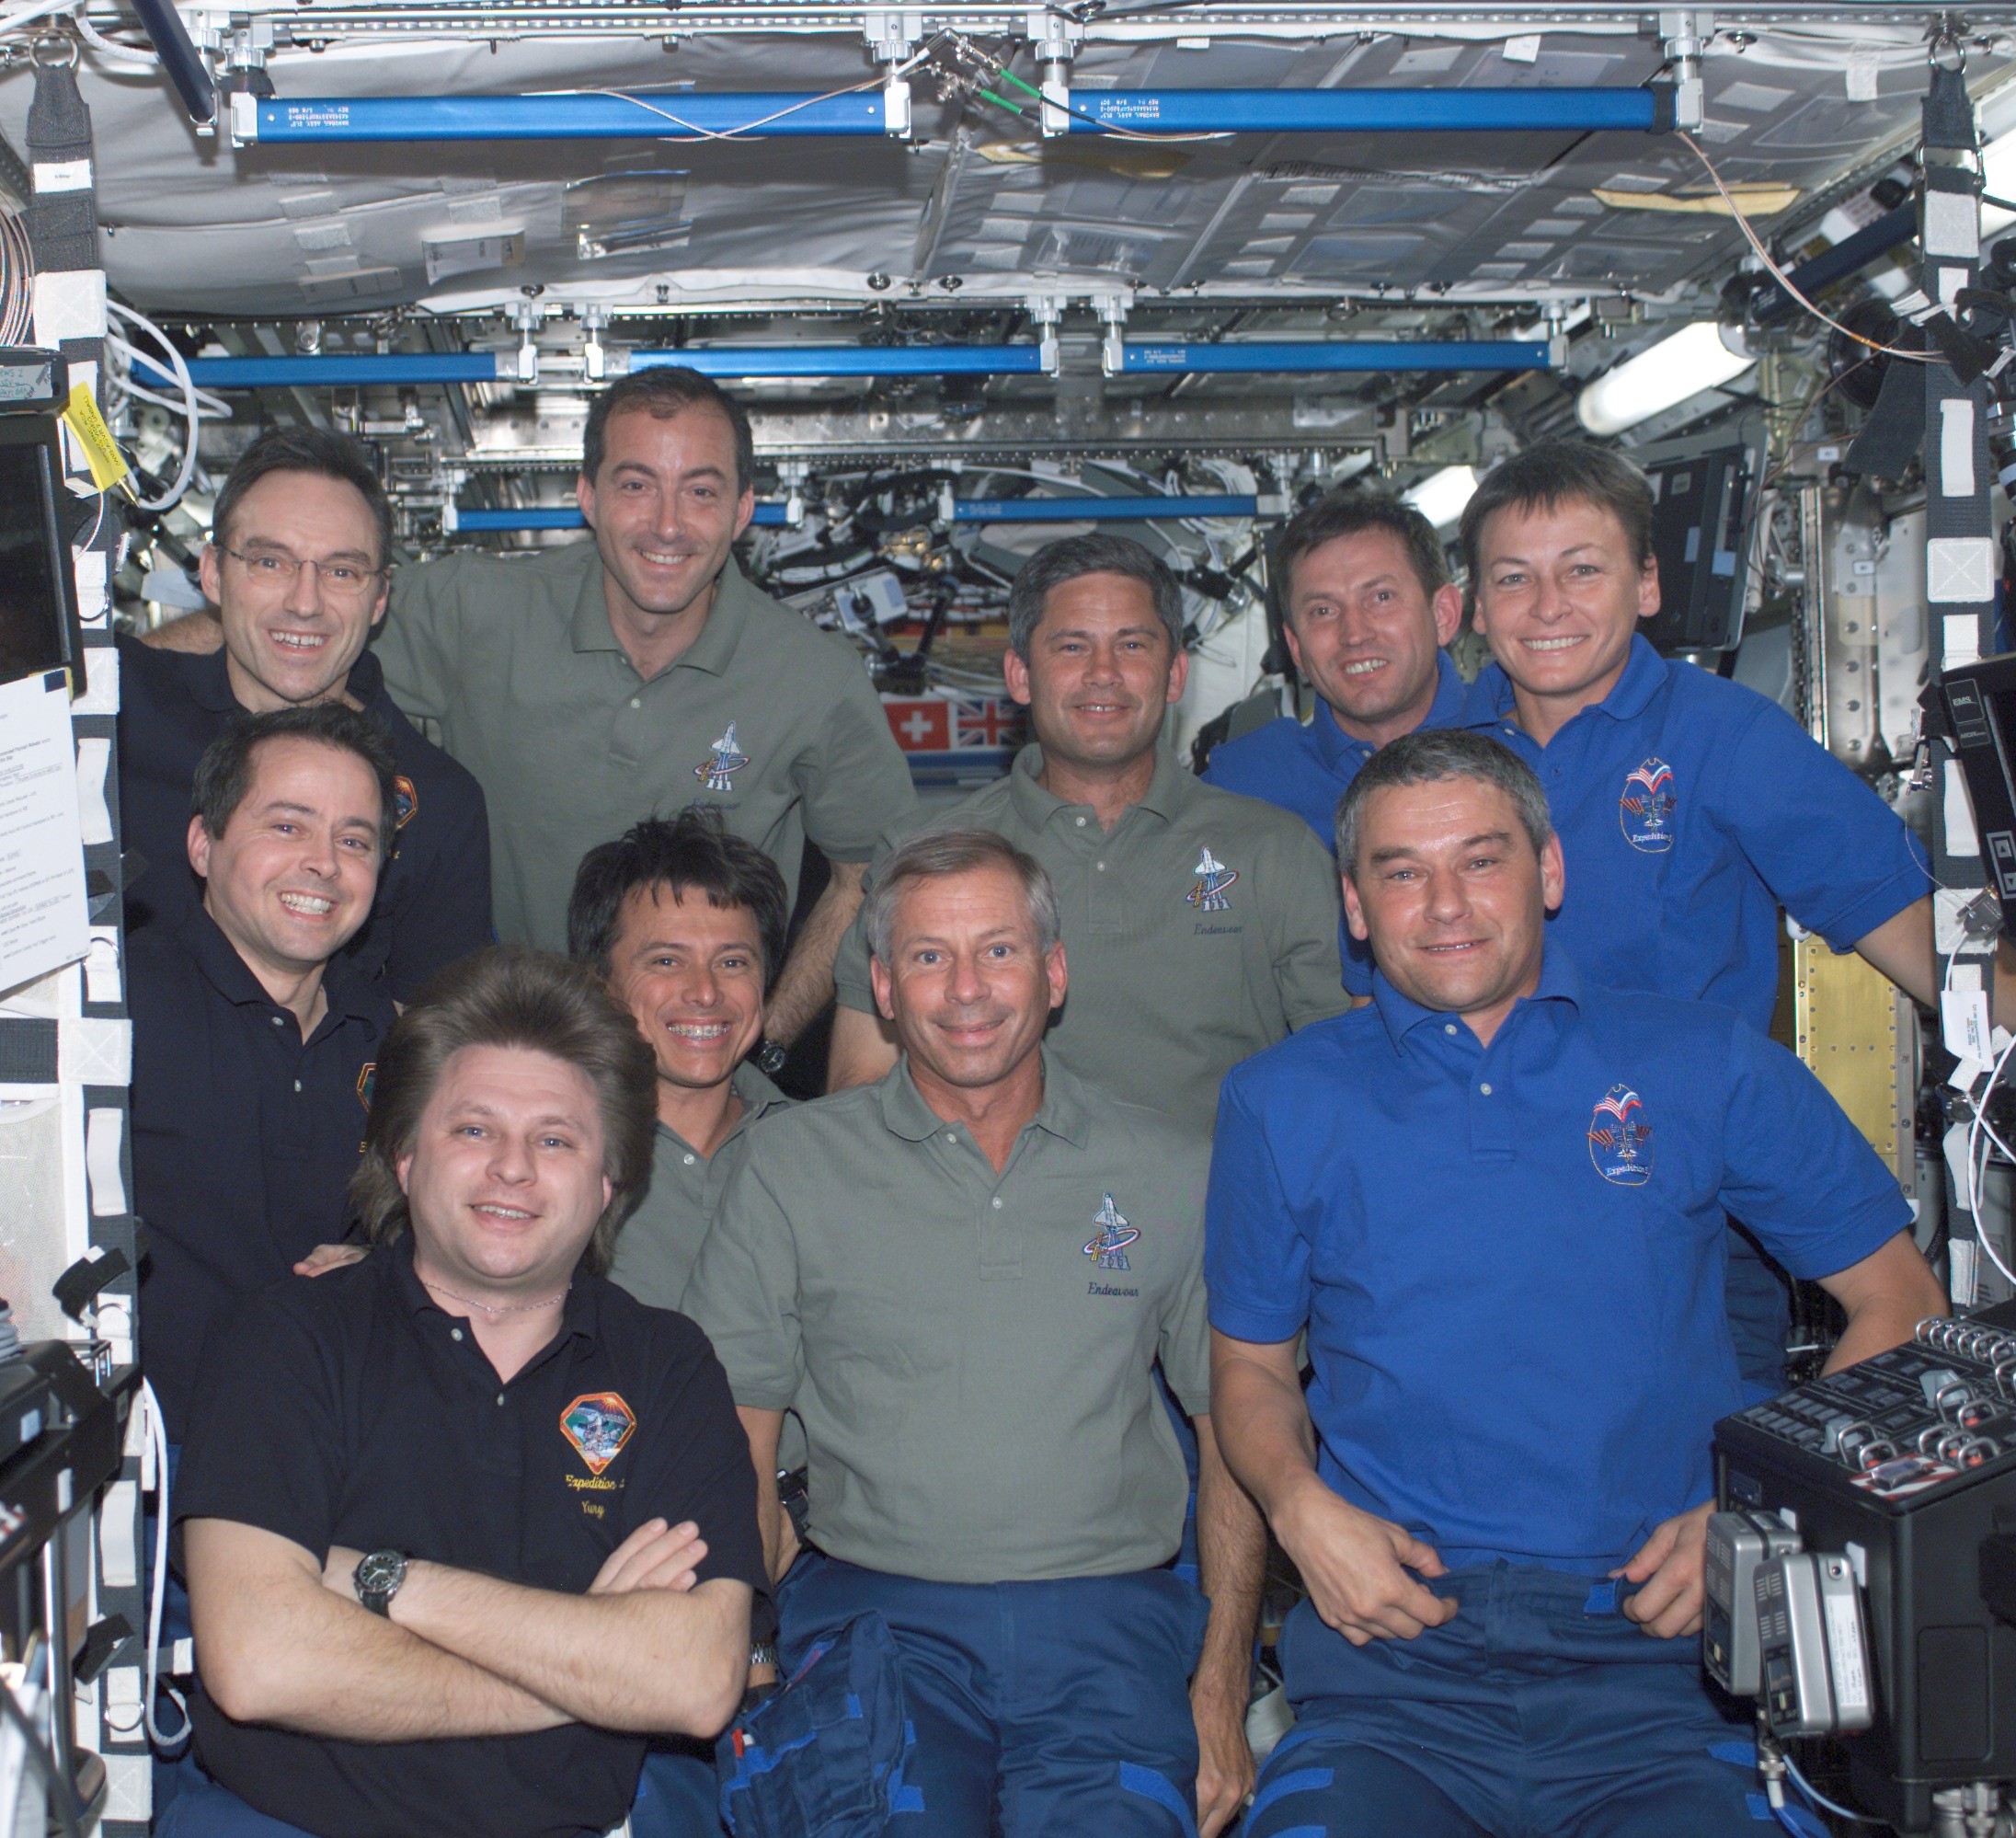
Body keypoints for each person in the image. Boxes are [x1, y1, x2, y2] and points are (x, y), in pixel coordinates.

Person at [1207, 729, 1947, 1838]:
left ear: (1548, 873)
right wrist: (1298, 1507)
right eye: (1400, 872)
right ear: (1353, 906)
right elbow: (1248, 1367)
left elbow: (1902, 1303)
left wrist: (1755, 1513)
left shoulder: (1705, 1061)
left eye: (1480, 859)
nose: (1445, 903)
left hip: (1664, 1670)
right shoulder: (1279, 1100)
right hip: (1392, 1677)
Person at [687, 829, 1261, 1838]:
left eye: (996, 950)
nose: (965, 989)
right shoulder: (789, 1170)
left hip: (1110, 1630)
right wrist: (741, 1651)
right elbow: (738, 1439)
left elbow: (1238, 1438)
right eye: (926, 956)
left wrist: (1219, 1686)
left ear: (1052, 972)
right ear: (881, 985)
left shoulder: (1172, 1166)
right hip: (873, 1622)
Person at [165, 948, 764, 1838]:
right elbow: (259, 1664)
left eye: (555, 1139)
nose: (512, 1168)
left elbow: (692, 1682)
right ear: (405, 1157)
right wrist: (587, 1661)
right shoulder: (285, 1340)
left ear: (607, 1185)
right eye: (474, 1129)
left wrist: (384, 1581)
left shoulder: (666, 1367)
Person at [1455, 441, 1936, 1396]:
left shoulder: (1724, 737)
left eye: (1580, 571)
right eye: (1513, 579)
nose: (1545, 608)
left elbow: (1919, 941)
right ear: (1474, 604)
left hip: (1680, 1222)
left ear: (1644, 586)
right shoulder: (1436, 768)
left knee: (1700, 1515)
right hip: (1480, 1218)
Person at [368, 366, 917, 1047]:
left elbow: (875, 878)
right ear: (587, 497)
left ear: (743, 510)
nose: (666, 525)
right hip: (509, 1053)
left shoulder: (814, 678)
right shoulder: (475, 612)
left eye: (700, 491)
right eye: (635, 485)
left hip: (699, 1078)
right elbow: (299, 625)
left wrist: (762, 1034)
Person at [826, 533, 1349, 1137]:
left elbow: (1343, 1077)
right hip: (981, 1223)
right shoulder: (919, 857)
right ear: (1020, 675)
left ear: (1175, 674)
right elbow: (860, 1093)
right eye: (1072, 647)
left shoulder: (1271, 853)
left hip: (1216, 1222)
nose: (1104, 674)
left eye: (1132, 645)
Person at [126, 427, 491, 1004]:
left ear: (379, 597)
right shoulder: (114, 713)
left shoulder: (440, 804)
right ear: (214, 573)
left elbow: (431, 1046)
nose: (305, 602)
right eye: (271, 561)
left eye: (341, 571)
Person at [130, 703, 400, 1449]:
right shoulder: (114, 1009)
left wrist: (388, 1265)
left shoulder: (400, 1043)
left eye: (355, 839)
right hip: (146, 1470)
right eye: (287, 826)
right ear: (202, 844)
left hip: (335, 1456)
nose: (323, 861)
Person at [1203, 489, 1466, 992]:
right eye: (1323, 611)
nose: (1354, 634)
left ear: (1444, 615)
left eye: (1381, 597)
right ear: (1296, 648)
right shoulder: (1241, 786)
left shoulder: (1528, 755)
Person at [568, 807, 793, 1313]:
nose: (706, 992)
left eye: (733, 962)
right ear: (599, 983)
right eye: (667, 961)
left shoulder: (822, 1152)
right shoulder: (550, 1155)